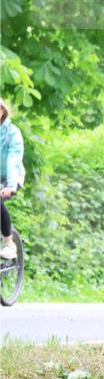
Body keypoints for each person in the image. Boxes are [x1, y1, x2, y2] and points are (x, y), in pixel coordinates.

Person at [0, 98, 25, 261]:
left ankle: (9, 243)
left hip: (11, 177)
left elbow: (13, 160)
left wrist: (10, 185)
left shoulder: (12, 133)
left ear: (2, 111)